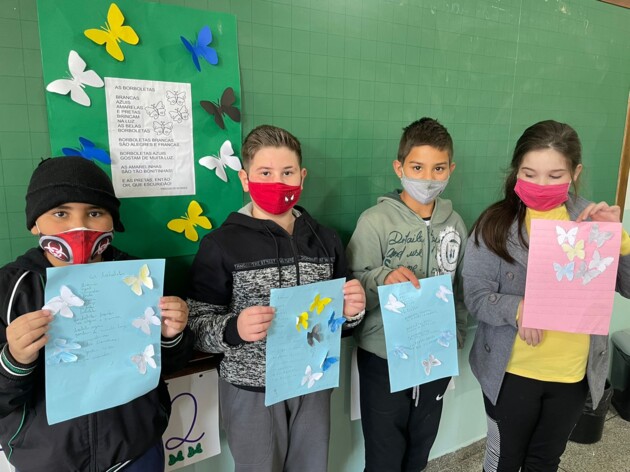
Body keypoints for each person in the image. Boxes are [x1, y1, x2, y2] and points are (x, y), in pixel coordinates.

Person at [187, 124, 366, 472]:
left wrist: (352, 312)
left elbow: (339, 321)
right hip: (251, 391)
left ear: (302, 176)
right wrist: (235, 327)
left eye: (287, 173)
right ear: (244, 178)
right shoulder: (221, 244)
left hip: (312, 382)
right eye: (264, 173)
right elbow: (196, 324)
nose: (277, 183)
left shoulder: (325, 239)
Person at [0, 156, 193, 472]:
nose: (79, 227)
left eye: (95, 213)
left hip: (135, 450)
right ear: (35, 222)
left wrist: (172, 337)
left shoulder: (140, 277)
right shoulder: (11, 289)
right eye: (60, 213)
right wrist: (15, 359)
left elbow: (165, 365)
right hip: (49, 459)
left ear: (113, 222)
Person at [462, 120, 630, 472]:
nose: (541, 184)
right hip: (512, 371)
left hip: (571, 375)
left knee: (545, 460)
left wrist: (620, 241)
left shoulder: (591, 222)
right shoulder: (494, 224)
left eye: (555, 175)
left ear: (575, 172)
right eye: (530, 173)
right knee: (503, 458)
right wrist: (519, 308)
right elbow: (475, 295)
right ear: (516, 171)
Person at [346, 117, 468, 472]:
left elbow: (459, 286)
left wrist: (456, 334)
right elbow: (353, 284)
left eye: (438, 168)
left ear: (450, 169)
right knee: (384, 457)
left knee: (419, 451)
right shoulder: (375, 221)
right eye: (417, 167)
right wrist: (383, 278)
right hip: (382, 359)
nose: (428, 178)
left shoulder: (455, 223)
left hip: (434, 356)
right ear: (399, 167)